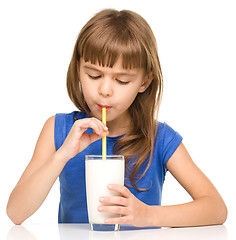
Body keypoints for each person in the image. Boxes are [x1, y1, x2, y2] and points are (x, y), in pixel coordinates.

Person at [6, 9, 227, 227]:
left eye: (122, 80)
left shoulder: (160, 139)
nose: (105, 90)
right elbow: (16, 213)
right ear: (78, 69)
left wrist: (148, 215)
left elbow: (215, 209)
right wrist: (62, 155)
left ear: (145, 82)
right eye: (94, 75)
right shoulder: (59, 128)